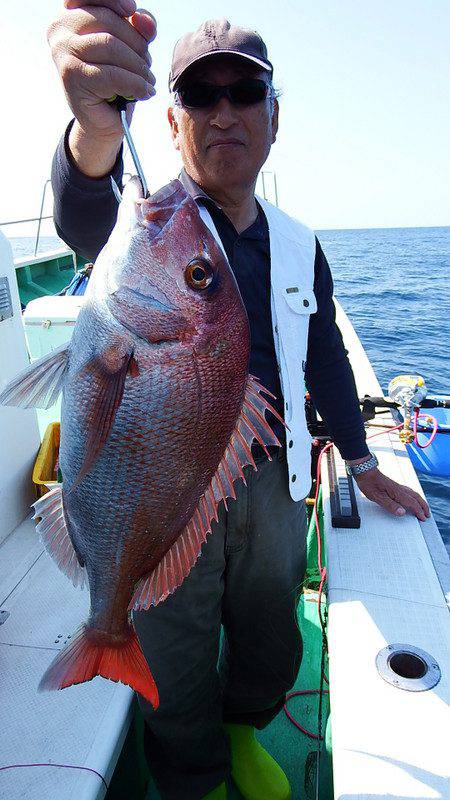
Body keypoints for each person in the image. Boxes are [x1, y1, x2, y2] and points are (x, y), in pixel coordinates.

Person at [47, 6, 430, 799]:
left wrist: (362, 464)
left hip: (275, 478)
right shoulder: (147, 225)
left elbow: (325, 354)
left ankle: (243, 728)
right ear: (173, 120)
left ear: (273, 119)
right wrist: (91, 132)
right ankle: (192, 771)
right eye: (201, 96)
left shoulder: (300, 241)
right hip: (167, 477)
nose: (224, 112)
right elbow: (85, 207)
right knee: (175, 643)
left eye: (244, 92)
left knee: (269, 631)